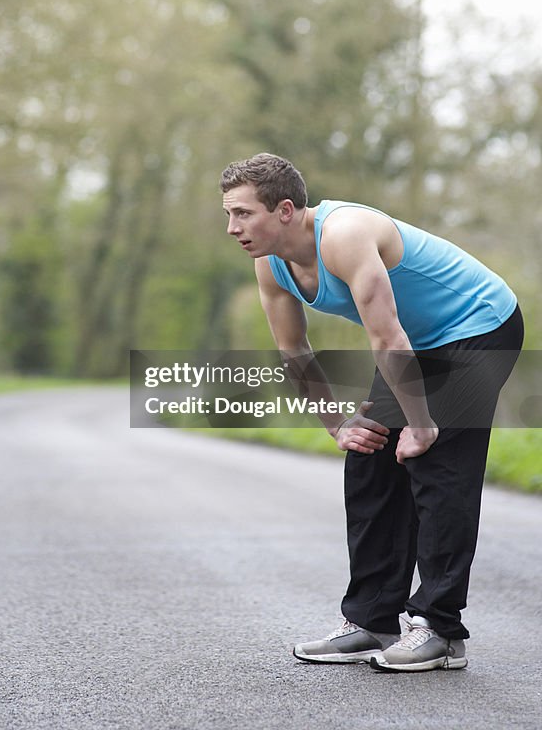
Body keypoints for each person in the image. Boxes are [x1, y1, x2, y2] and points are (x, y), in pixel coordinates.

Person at [220, 152, 524, 673]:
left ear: (286, 209)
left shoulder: (345, 234)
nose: (232, 228)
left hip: (478, 327)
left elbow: (386, 336)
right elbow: (295, 352)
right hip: (414, 342)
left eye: (243, 213)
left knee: (437, 462)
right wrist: (338, 426)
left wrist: (423, 423)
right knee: (370, 458)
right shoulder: (270, 263)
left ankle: (440, 630)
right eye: (229, 214)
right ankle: (371, 621)